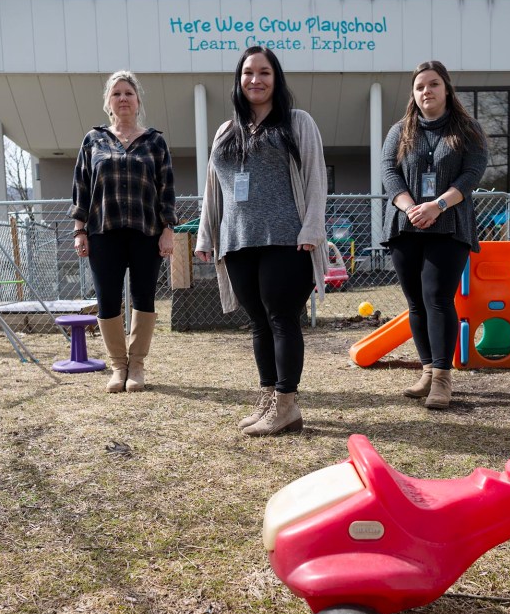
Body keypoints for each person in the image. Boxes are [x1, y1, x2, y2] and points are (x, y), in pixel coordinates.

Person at [195, 46, 327, 436]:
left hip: (287, 239)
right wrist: (208, 234)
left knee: (282, 319)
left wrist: (313, 229)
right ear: (238, 80)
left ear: (277, 79)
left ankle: (286, 404)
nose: (256, 79)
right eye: (248, 73)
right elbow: (212, 189)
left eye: (264, 72)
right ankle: (270, 399)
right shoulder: (225, 130)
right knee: (258, 323)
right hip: (238, 241)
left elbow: (316, 178)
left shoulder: (297, 122)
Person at [381, 60, 489, 409]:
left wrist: (436, 206)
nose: (426, 91)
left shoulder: (467, 129)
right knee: (415, 302)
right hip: (405, 224)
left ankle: (443, 377)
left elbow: (472, 174)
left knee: (437, 298)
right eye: (419, 86)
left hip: (449, 225)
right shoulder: (401, 130)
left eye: (433, 84)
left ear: (446, 89)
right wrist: (411, 206)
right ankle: (427, 370)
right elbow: (388, 172)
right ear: (413, 94)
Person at [70, 70, 176, 393]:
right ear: (108, 102)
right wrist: (79, 229)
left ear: (138, 100)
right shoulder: (94, 140)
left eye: (128, 93)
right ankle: (118, 366)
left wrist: (168, 229)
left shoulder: (155, 141)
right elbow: (81, 186)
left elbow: (166, 188)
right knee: (107, 299)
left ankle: (138, 366)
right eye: (116, 94)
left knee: (144, 297)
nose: (123, 98)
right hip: (103, 232)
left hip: (147, 232)